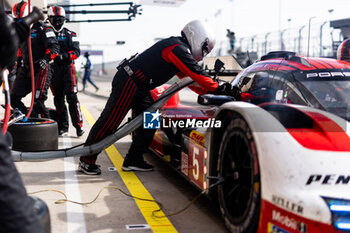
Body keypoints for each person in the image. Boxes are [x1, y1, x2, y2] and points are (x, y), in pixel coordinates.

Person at [78, 20, 232, 175]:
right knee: (110, 122)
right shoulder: (177, 48)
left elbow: (191, 79)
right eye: (205, 48)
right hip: (130, 82)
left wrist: (214, 93)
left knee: (151, 120)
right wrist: (219, 87)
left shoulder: (178, 50)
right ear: (196, 35)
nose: (203, 52)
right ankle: (87, 161)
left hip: (139, 86)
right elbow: (197, 73)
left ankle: (133, 159)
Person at [0, 3, 45, 232]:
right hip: (26, 70)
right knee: (23, 221)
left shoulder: (46, 32)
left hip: (40, 70)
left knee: (42, 102)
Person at [10, 1, 59, 118]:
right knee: (13, 98)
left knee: (38, 100)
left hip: (42, 69)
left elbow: (55, 48)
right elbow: (19, 52)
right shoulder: (20, 31)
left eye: (21, 19)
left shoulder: (43, 28)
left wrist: (46, 59)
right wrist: (16, 67)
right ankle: (26, 118)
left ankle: (46, 128)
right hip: (26, 69)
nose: (20, 23)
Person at [47, 5, 84, 137]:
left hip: (68, 68)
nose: (57, 22)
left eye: (60, 19)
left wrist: (65, 56)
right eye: (54, 19)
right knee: (58, 99)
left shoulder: (71, 34)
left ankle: (79, 126)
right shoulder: (45, 34)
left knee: (72, 97)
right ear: (49, 19)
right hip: (52, 69)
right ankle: (63, 127)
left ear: (64, 19)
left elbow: (77, 52)